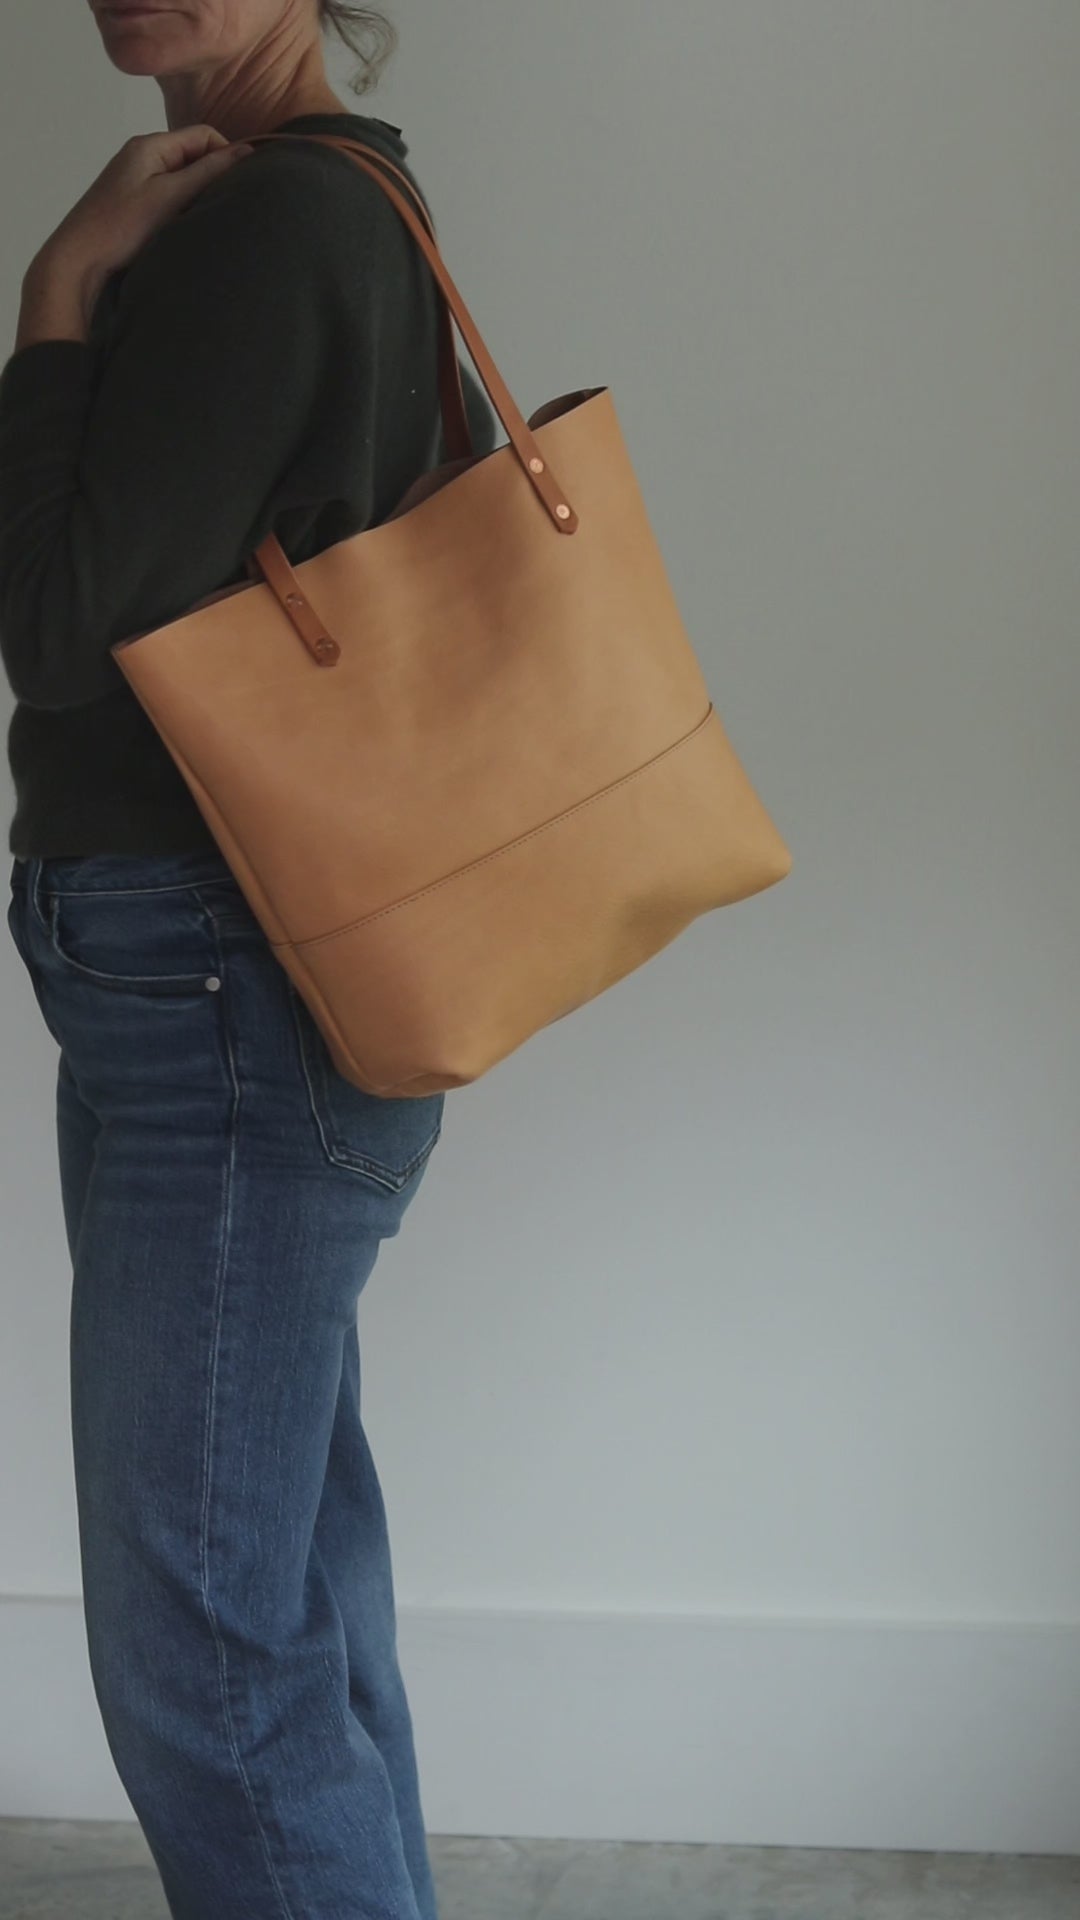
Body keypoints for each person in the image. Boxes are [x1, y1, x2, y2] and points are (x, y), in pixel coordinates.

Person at [0, 3, 497, 1915]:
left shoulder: (276, 222)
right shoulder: (335, 197)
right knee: (285, 1592)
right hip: (238, 984)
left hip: (222, 988)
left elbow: (62, 628)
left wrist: (56, 298)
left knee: (209, 1652)